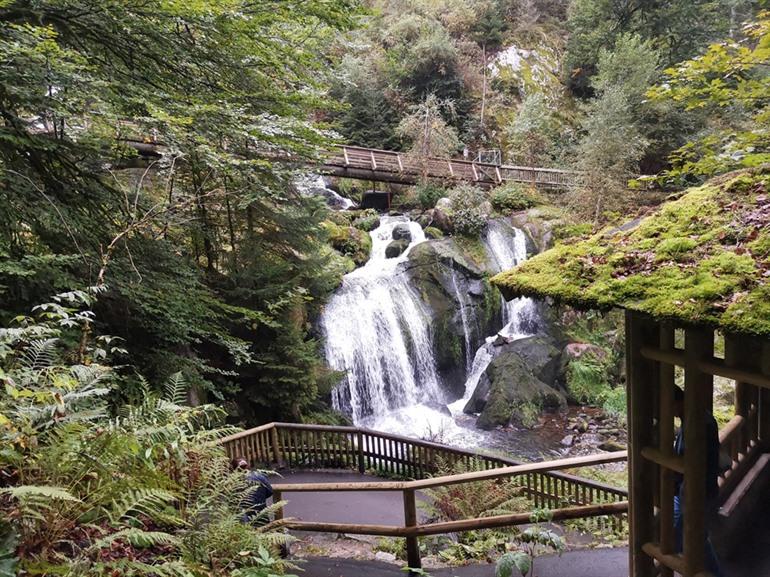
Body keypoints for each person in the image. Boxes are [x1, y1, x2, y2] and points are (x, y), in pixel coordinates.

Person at [671, 385, 725, 577]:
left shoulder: (700, 422)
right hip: (684, 490)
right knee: (686, 537)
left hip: (698, 492)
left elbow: (697, 462)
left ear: (677, 402)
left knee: (692, 539)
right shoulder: (691, 419)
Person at [233, 458, 273, 525]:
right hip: (261, 510)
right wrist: (260, 498)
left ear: (234, 469)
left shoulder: (234, 482)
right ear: (248, 466)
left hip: (244, 515)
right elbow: (270, 491)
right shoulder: (259, 476)